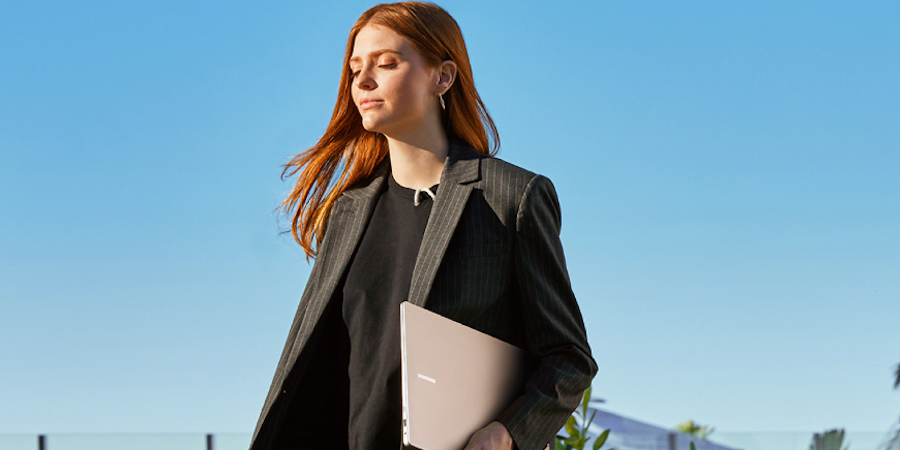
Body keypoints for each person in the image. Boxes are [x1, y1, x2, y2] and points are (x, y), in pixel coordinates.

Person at [250, 2, 597, 449]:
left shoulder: (510, 196)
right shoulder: (347, 212)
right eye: (355, 68)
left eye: (387, 63)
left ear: (443, 77)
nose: (363, 81)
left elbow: (568, 357)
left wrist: (507, 433)